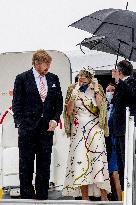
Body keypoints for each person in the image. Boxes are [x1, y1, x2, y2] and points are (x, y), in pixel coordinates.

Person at [12, 49, 63, 200]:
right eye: (45, 64)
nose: (48, 67)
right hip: (27, 128)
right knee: (26, 163)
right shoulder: (22, 78)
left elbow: (58, 103)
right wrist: (21, 123)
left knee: (44, 163)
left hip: (46, 128)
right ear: (36, 64)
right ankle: (27, 195)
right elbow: (17, 104)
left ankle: (42, 195)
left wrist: (54, 119)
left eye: (49, 64)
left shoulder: (54, 78)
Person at [63, 68, 111, 201]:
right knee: (81, 160)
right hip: (79, 130)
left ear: (90, 79)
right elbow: (68, 112)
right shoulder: (73, 88)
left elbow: (102, 108)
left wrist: (96, 89)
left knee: (98, 161)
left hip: (95, 129)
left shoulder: (97, 88)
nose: (81, 81)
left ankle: (104, 196)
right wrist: (73, 94)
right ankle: (84, 198)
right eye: (79, 79)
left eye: (84, 79)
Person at [112, 60, 136, 190]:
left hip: (127, 128)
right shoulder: (121, 84)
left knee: (127, 161)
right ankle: (124, 192)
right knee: (121, 163)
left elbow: (133, 96)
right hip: (119, 129)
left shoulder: (132, 81)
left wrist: (119, 81)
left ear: (120, 71)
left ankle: (130, 191)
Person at [106, 83, 122, 201]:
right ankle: (114, 199)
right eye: (108, 90)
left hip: (115, 141)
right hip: (105, 143)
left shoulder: (118, 106)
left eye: (112, 90)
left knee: (115, 173)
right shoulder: (104, 107)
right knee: (110, 174)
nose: (110, 92)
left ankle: (122, 200)